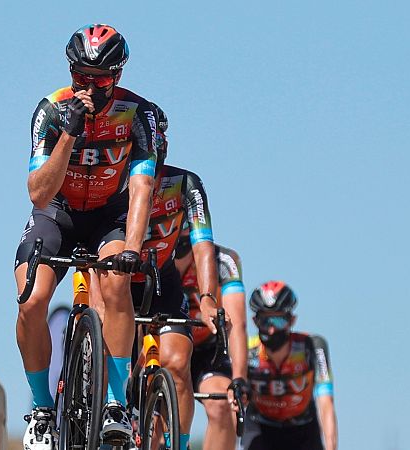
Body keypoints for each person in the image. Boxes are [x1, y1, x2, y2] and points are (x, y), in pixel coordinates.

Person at [14, 24, 158, 450]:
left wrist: (132, 249)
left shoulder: (139, 114)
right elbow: (39, 192)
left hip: (110, 215)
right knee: (31, 299)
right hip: (59, 212)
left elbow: (143, 188)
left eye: (99, 79)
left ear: (117, 76)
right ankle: (42, 413)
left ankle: (116, 405)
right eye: (81, 77)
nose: (89, 87)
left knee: (116, 284)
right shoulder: (51, 110)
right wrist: (70, 135)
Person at [126, 104, 220, 450]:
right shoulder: (118, 180)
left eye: (160, 137)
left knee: (178, 363)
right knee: (112, 361)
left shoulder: (186, 184)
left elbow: (203, 244)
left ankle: (178, 444)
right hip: (118, 280)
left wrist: (208, 298)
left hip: (161, 279)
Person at [242, 281, 338, 450]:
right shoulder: (247, 351)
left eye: (278, 321)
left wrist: (331, 446)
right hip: (261, 426)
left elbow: (326, 402)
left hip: (303, 427)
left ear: (292, 320)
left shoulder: (312, 347)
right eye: (264, 321)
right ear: (254, 321)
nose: (271, 330)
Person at [178, 233, 248, 450]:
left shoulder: (224, 261)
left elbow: (237, 324)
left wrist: (239, 379)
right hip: (163, 341)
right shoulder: (157, 250)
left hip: (206, 348)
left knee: (222, 406)